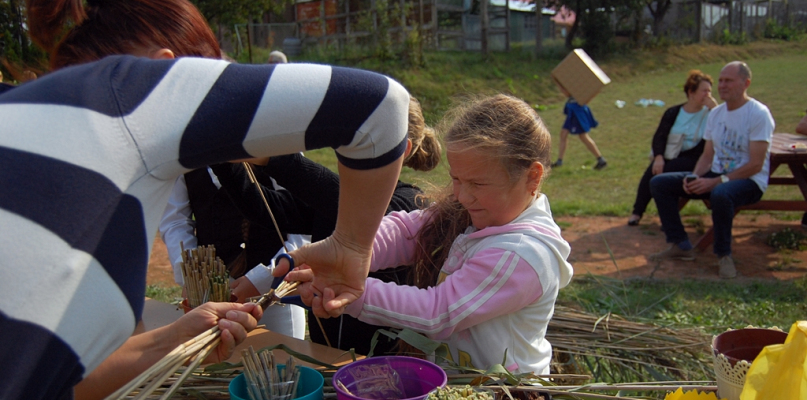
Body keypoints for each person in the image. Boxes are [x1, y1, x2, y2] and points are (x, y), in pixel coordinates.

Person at [1, 0, 410, 399]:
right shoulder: (133, 90)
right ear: (166, 68)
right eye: (212, 77)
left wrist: (173, 341)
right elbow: (378, 108)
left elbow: (48, 377)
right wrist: (351, 247)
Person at [291, 94, 574, 374]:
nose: (462, 196)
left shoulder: (522, 253)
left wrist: (347, 290)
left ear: (532, 177)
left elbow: (437, 311)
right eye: (456, 179)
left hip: (505, 391)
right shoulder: (483, 214)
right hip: (462, 385)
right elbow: (406, 231)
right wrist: (346, 250)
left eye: (477, 183)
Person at [214, 96, 441, 355]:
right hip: (327, 350)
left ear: (402, 149)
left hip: (386, 357)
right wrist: (223, 160)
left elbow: (359, 208)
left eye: (362, 141)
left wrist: (273, 157)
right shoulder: (333, 197)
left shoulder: (412, 203)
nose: (347, 148)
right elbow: (267, 209)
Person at [155, 23, 304, 338]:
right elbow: (174, 221)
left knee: (279, 369)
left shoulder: (277, 137)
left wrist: (262, 278)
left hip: (274, 293)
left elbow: (304, 226)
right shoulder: (182, 144)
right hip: (214, 300)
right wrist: (199, 281)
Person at [648, 61, 775, 279]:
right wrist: (695, 177)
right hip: (716, 175)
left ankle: (723, 255)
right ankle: (680, 244)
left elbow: (755, 164)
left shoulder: (758, 114)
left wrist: (715, 181)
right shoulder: (716, 114)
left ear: (746, 83)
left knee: (721, 194)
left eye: (729, 81)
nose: (722, 85)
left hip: (749, 181)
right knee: (660, 183)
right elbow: (707, 156)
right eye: (721, 80)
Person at [628, 70, 718, 226]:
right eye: (704, 91)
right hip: (671, 154)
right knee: (653, 170)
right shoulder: (674, 112)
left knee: (667, 173)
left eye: (710, 91)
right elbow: (659, 137)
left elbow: (722, 129)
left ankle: (668, 219)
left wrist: (716, 109)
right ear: (691, 92)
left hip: (695, 158)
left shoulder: (712, 113)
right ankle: (637, 212)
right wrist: (658, 157)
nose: (708, 95)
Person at [551, 87, 607, 170]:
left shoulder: (581, 87)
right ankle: (559, 161)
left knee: (583, 136)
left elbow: (593, 93)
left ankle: (600, 159)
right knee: (563, 134)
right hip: (572, 111)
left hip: (577, 112)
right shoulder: (573, 85)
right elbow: (566, 93)